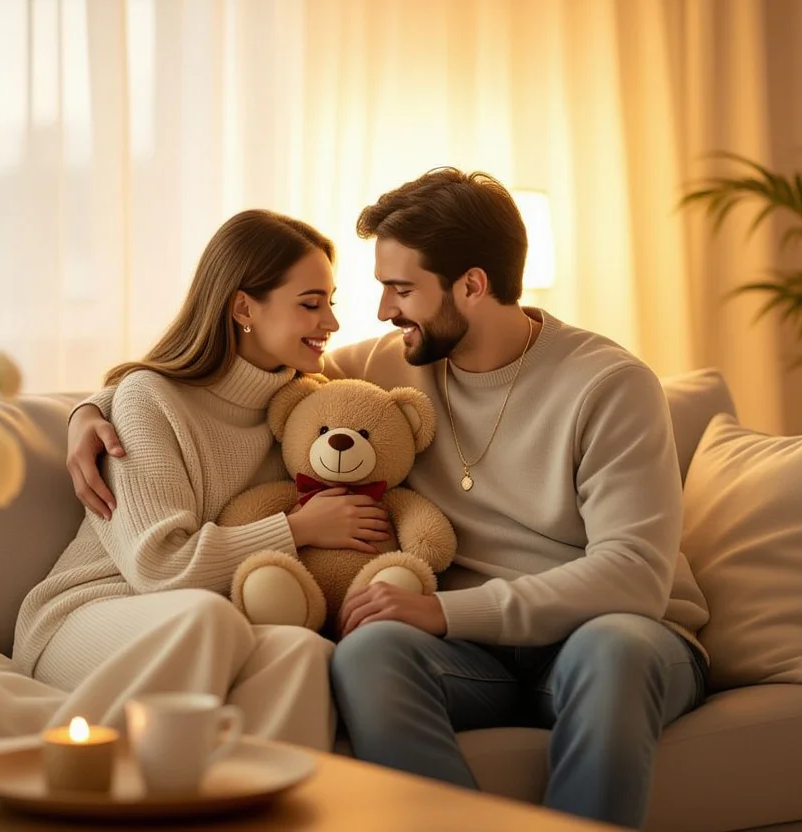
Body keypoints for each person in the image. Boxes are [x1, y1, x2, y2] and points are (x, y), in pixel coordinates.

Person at [67, 170, 710, 830]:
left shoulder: (609, 384)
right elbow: (233, 370)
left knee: (613, 653)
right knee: (369, 653)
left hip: (609, 633)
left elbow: (634, 575)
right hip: (472, 655)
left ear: (472, 285)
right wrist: (93, 409)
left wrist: (444, 610)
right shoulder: (384, 364)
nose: (380, 311)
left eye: (401, 289)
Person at [19, 209, 392, 752]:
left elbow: (395, 364)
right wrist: (299, 529)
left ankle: (267, 800)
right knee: (209, 618)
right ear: (244, 307)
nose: (331, 323)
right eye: (311, 304)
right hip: (86, 617)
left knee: (303, 651)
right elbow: (158, 567)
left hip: (210, 624)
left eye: (331, 302)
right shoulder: (150, 399)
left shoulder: (304, 407)